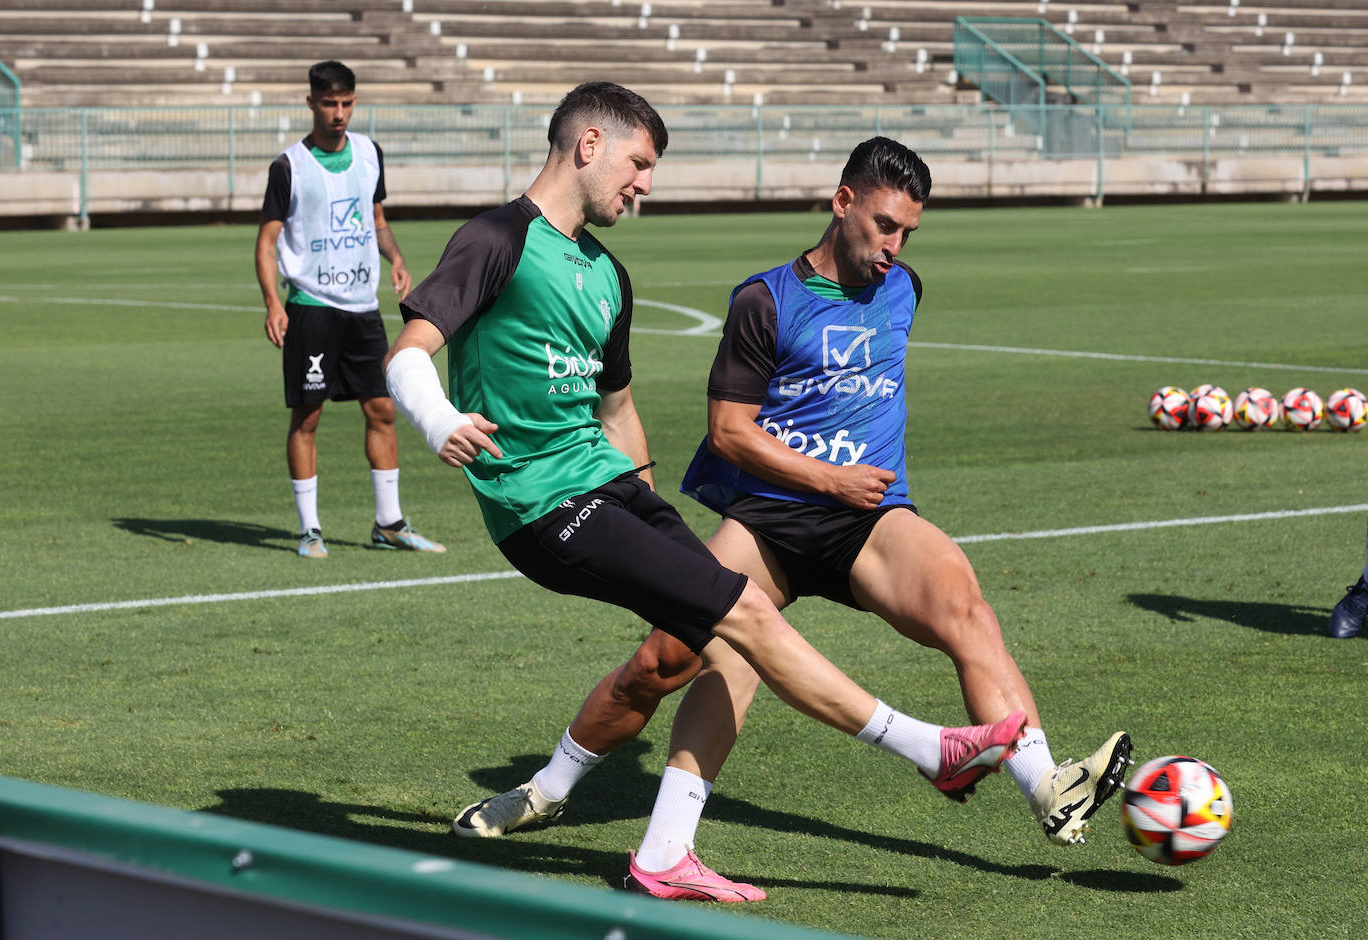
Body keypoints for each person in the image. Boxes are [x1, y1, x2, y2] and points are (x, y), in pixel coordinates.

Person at [384, 86, 1028, 900]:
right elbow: (407, 353)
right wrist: (438, 418)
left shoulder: (607, 274)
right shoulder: (497, 238)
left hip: (610, 489)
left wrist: (650, 507)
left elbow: (616, 409)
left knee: (688, 651)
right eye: (639, 163)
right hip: (541, 505)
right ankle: (931, 751)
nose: (645, 184)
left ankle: (592, 815)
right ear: (589, 145)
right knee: (747, 611)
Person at [256, 60, 444, 559]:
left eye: (347, 103)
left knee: (382, 409)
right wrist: (274, 302)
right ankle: (310, 530)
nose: (339, 113)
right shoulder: (289, 165)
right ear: (312, 103)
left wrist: (397, 257)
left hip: (362, 309)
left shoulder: (369, 153)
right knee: (308, 416)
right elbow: (267, 242)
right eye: (329, 103)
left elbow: (376, 217)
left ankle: (390, 523)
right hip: (312, 309)